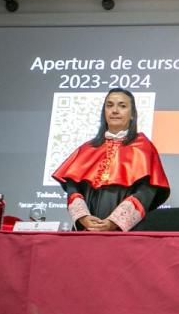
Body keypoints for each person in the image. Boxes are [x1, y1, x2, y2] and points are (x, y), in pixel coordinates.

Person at [52, 88, 170, 231]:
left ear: (132, 114)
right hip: (87, 230)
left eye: (122, 106)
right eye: (109, 105)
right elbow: (73, 188)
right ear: (104, 112)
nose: (115, 110)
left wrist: (113, 223)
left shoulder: (143, 147)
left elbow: (146, 192)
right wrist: (83, 218)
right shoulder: (87, 148)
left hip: (126, 232)